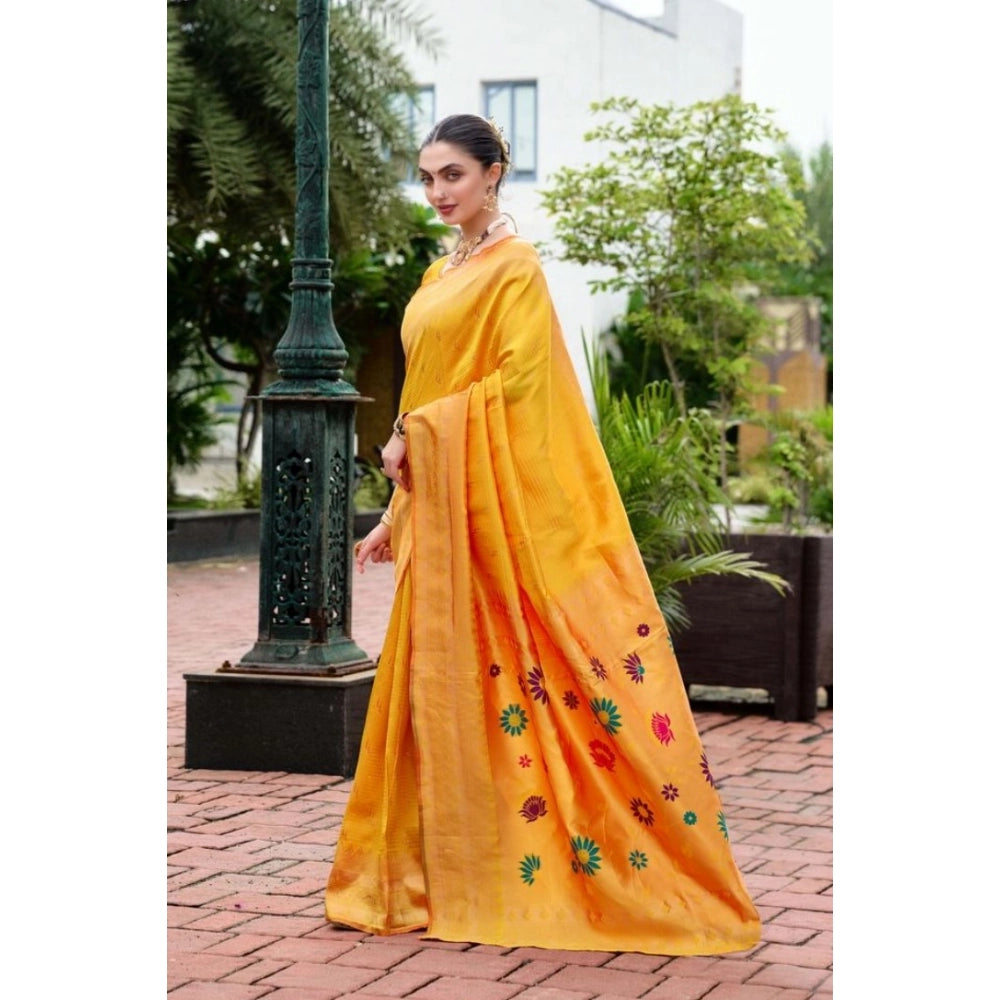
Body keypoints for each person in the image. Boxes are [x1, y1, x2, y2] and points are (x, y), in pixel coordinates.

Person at [325, 113, 760, 956]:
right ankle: (428, 871)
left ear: (494, 172)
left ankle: (544, 865)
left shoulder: (514, 268)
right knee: (434, 692)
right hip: (443, 517)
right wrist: (394, 514)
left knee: (529, 683)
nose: (437, 191)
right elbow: (431, 388)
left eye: (453, 174)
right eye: (427, 177)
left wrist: (416, 433)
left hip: (495, 521)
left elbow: (521, 389)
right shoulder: (438, 272)